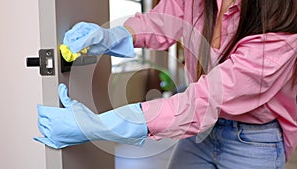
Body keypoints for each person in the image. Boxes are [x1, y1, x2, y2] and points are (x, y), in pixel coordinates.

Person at [35, 0, 297, 168]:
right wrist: (112, 35)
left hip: (252, 142)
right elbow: (161, 22)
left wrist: (99, 125)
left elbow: (202, 101)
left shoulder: (280, 31)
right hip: (200, 135)